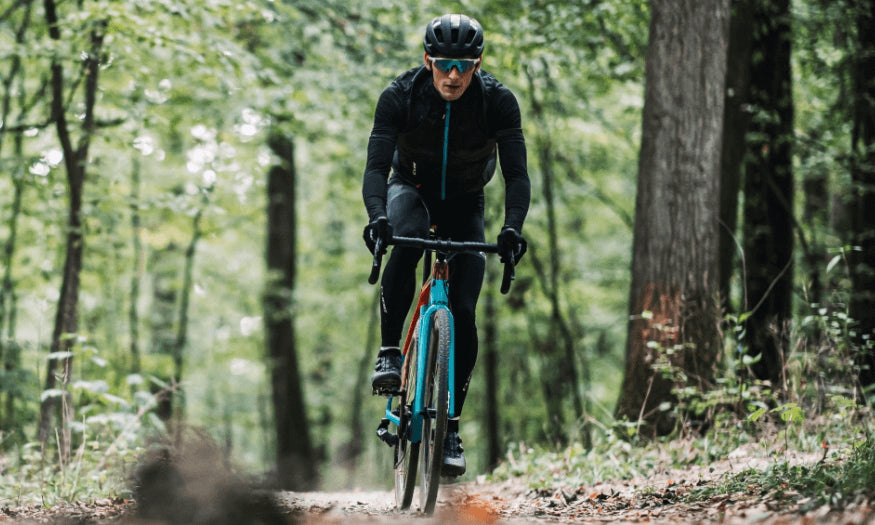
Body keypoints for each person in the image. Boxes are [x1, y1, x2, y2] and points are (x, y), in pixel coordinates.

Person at [362, 14, 530, 477]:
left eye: (464, 65)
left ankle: (450, 426)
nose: (453, 75)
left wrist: (512, 227)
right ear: (427, 61)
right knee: (407, 240)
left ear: (478, 64)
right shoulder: (400, 95)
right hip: (409, 188)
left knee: (464, 310)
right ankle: (390, 352)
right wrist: (377, 217)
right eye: (443, 64)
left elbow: (517, 175)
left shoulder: (497, 102)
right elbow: (376, 167)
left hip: (465, 199)